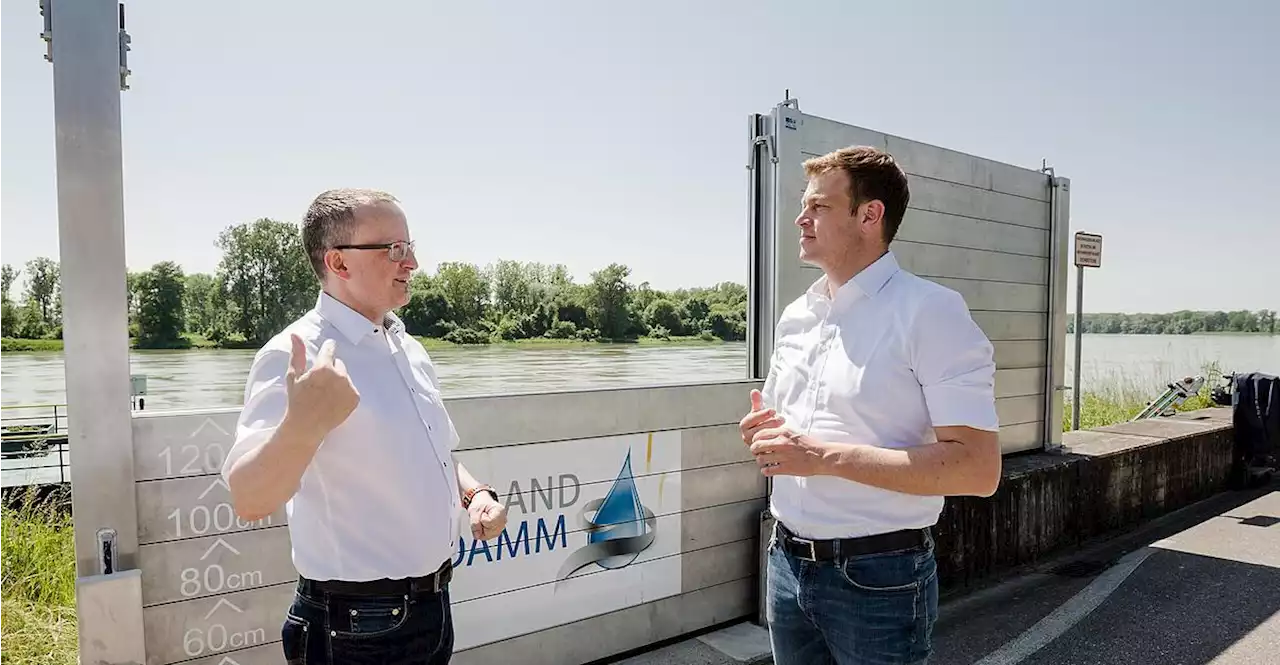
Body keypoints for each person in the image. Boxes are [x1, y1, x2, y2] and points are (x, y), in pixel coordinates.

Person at [222, 188, 507, 665]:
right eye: (393, 249)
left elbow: (436, 456)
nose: (411, 262)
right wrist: (303, 424)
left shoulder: (407, 347)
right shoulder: (294, 354)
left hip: (433, 607)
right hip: (355, 626)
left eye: (410, 246)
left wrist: (476, 495)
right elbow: (249, 499)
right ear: (338, 262)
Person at [740, 146, 1001, 665]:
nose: (801, 217)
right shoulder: (798, 315)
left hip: (879, 577)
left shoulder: (931, 312)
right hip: (786, 565)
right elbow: (791, 433)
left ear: (869, 215)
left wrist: (819, 457)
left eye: (819, 206)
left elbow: (977, 468)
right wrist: (763, 432)